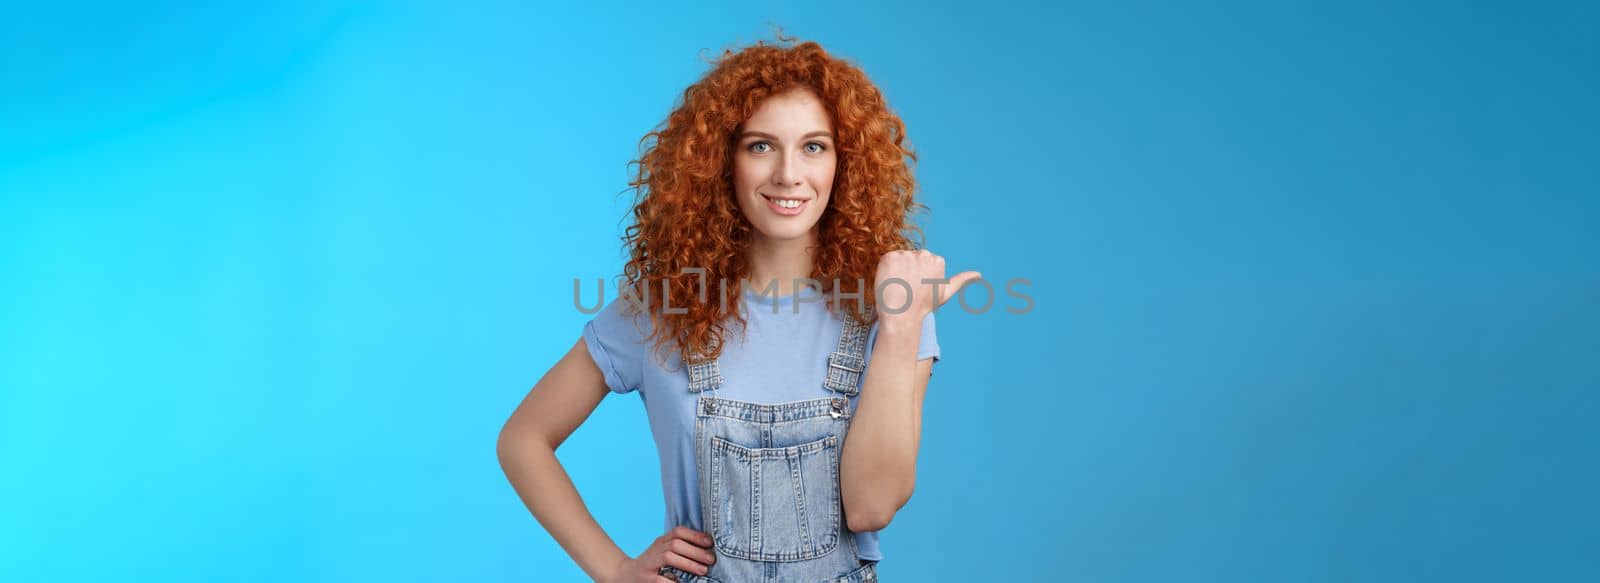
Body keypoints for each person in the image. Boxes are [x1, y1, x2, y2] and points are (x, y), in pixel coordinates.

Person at [497, 36, 980, 582]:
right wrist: (613, 569)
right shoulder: (662, 309)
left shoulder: (891, 308)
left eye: (814, 147)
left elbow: (872, 507)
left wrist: (900, 328)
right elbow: (524, 439)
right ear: (720, 161)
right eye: (760, 146)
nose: (788, 174)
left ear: (845, 165)